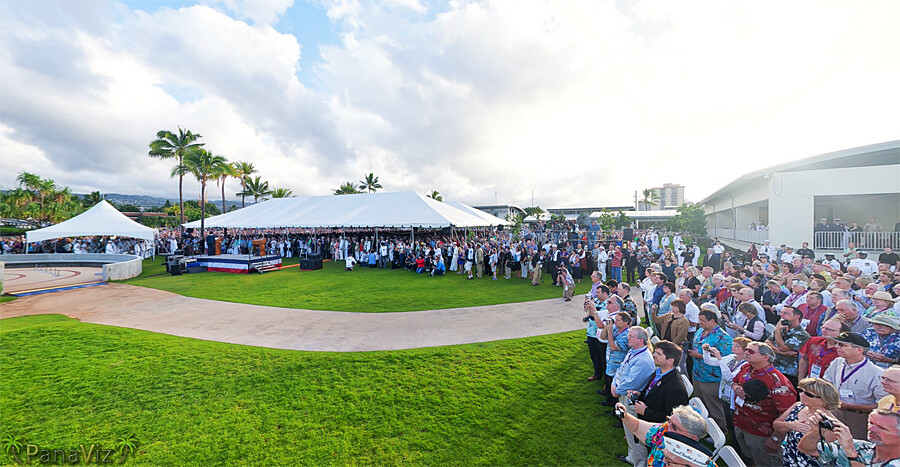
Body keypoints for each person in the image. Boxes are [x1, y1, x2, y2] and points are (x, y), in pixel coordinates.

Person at [731, 342, 798, 467]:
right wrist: (736, 388)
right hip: (741, 423)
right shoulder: (746, 368)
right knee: (749, 458)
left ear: (765, 357)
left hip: (761, 434)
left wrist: (775, 439)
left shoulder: (779, 383)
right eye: (746, 349)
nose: (746, 352)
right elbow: (734, 381)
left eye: (751, 351)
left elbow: (787, 415)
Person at [625, 340, 691, 466]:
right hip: (648, 424)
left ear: (670, 361)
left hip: (657, 434)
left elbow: (674, 420)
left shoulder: (675, 388)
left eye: (658, 354)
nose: (654, 355)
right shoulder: (659, 372)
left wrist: (646, 411)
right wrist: (641, 395)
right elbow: (652, 391)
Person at [823, 332, 888, 439]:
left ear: (859, 350)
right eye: (837, 343)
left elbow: (882, 406)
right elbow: (826, 383)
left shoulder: (876, 374)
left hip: (859, 417)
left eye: (842, 345)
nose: (836, 347)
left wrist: (852, 406)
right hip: (834, 411)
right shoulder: (837, 362)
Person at [611, 326, 658, 461]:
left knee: (634, 435)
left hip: (630, 400)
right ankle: (632, 457)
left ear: (641, 341)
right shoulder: (634, 350)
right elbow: (621, 368)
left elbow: (631, 383)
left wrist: (616, 390)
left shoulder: (643, 360)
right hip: (622, 393)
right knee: (629, 432)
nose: (628, 338)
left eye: (631, 336)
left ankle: (639, 462)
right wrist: (614, 383)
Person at [773, 377, 842, 467]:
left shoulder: (830, 425)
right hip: (788, 460)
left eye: (808, 394)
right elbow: (776, 424)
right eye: (801, 391)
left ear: (824, 400)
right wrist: (789, 425)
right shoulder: (798, 406)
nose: (802, 395)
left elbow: (829, 455)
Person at [617, 404, 715, 467]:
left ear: (692, 437)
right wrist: (625, 415)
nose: (668, 425)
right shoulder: (663, 431)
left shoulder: (702, 462)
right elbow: (637, 428)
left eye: (675, 427)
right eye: (669, 420)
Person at [799, 409, 900, 467]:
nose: (871, 428)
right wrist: (816, 431)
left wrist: (851, 453)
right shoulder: (858, 446)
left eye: (882, 428)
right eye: (871, 423)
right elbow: (808, 449)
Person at [690, 309, 734, 433]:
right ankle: (704, 428)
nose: (699, 323)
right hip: (698, 374)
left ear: (712, 321)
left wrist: (699, 355)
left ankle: (720, 431)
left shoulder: (723, 337)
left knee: (714, 406)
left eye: (702, 320)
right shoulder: (701, 331)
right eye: (699, 320)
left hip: (712, 378)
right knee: (701, 403)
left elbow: (727, 359)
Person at [769, 306, 811, 388]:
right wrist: (781, 352)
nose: (782, 315)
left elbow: (783, 347)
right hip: (774, 367)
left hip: (788, 372)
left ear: (796, 316)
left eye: (786, 313)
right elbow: (767, 343)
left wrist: (777, 331)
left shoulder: (802, 334)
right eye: (781, 313)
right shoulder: (782, 330)